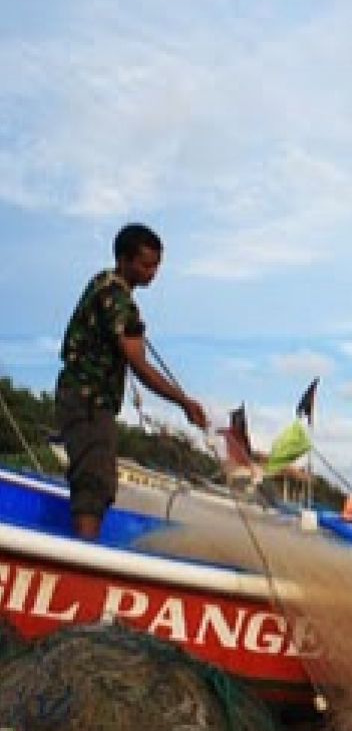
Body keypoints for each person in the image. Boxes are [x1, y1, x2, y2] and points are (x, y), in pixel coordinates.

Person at [56, 224, 208, 540]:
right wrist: (184, 402)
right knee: (95, 482)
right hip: (89, 403)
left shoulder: (102, 284)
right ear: (124, 260)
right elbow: (139, 366)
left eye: (156, 266)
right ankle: (84, 558)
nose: (152, 273)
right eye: (145, 264)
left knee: (95, 478)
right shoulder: (117, 300)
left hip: (82, 398)